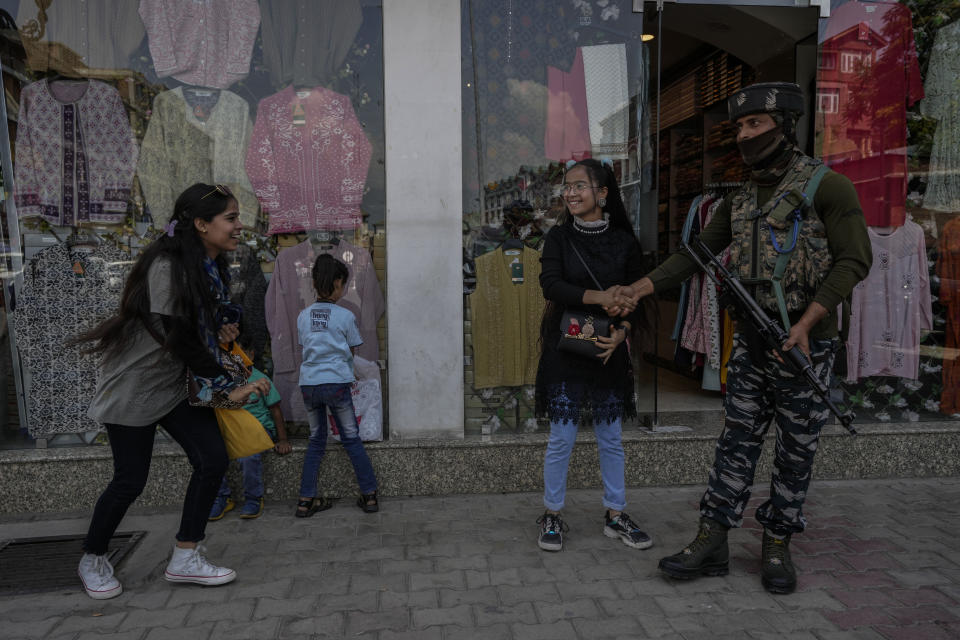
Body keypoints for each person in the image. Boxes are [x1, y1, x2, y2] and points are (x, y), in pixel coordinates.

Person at [612, 82, 872, 594]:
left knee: (796, 448)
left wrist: (806, 322)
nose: (744, 135)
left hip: (805, 342)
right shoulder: (739, 197)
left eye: (754, 124)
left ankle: (777, 542)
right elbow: (695, 255)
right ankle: (713, 537)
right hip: (752, 342)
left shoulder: (828, 187)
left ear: (785, 126)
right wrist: (638, 289)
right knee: (735, 441)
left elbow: (854, 259)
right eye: (739, 127)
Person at [74, 183, 272, 600]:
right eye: (231, 218)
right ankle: (92, 557)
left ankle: (185, 554)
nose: (240, 226)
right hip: (134, 389)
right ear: (201, 224)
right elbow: (180, 337)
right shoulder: (168, 265)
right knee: (130, 480)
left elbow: (197, 330)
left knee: (212, 460)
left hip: (178, 387)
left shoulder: (209, 264)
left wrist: (220, 330)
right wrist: (229, 386)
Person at [534, 158, 654, 553]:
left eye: (579, 186)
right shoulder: (559, 239)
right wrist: (599, 297)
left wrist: (622, 333)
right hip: (566, 348)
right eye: (567, 186)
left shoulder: (623, 241)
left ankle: (616, 514)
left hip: (608, 351)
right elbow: (551, 285)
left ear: (602, 193)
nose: (570, 193)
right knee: (561, 438)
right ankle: (552, 513)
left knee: (611, 438)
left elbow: (637, 298)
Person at [295, 254, 379, 517]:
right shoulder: (345, 316)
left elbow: (306, 348)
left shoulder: (303, 316)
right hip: (337, 383)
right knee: (351, 438)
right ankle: (369, 496)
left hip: (309, 385)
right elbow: (353, 350)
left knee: (316, 440)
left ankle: (305, 501)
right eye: (343, 284)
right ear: (338, 282)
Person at [208, 346, 292, 521]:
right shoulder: (224, 381)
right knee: (212, 452)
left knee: (249, 454)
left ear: (251, 354)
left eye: (239, 353)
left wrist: (282, 439)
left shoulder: (260, 378)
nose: (234, 358)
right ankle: (221, 497)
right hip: (233, 430)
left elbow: (275, 410)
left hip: (259, 430)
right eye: (229, 355)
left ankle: (254, 498)